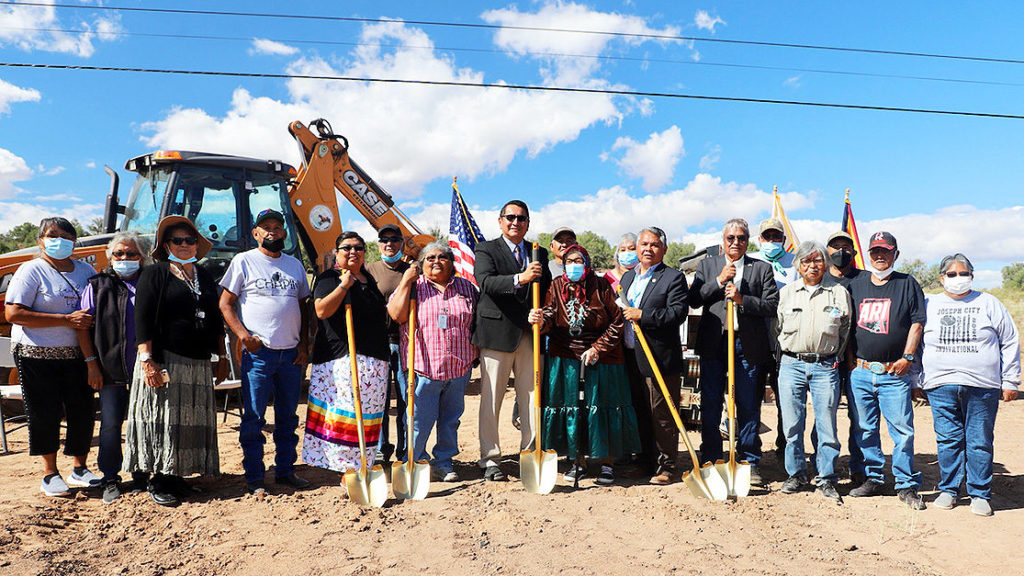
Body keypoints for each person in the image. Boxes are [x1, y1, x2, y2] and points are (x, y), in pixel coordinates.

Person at [126, 216, 226, 507]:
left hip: (196, 360)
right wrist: (147, 359)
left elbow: (215, 318)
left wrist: (219, 356)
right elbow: (142, 318)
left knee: (186, 420)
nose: (184, 245)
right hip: (164, 358)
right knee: (163, 419)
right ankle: (158, 479)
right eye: (177, 241)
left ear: (197, 244)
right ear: (166, 245)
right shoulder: (155, 274)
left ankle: (177, 475)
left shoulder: (204, 276)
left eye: (189, 240)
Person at [529, 244, 640, 485]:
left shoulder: (600, 286)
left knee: (600, 407)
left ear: (587, 263)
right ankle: (576, 461)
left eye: (578, 261)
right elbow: (550, 313)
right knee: (572, 409)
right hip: (565, 356)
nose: (574, 265)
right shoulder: (556, 285)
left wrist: (598, 349)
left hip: (602, 357)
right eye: (569, 261)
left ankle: (606, 463)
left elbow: (617, 322)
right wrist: (540, 319)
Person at [5, 217, 100, 497]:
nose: (60, 241)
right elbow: (14, 313)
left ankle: (80, 468)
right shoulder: (31, 270)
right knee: (44, 412)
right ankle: (50, 474)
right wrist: (65, 318)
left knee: (82, 411)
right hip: (37, 355)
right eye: (52, 235)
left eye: (66, 236)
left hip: (78, 355)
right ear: (40, 240)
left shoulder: (86, 270)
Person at [920, 253, 1020, 516]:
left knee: (979, 440)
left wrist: (1010, 380)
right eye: (951, 274)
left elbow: (1009, 340)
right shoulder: (929, 303)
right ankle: (949, 489)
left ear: (972, 276)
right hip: (940, 385)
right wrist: (916, 379)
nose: (957, 279)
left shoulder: (988, 302)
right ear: (941, 278)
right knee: (948, 439)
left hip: (982, 385)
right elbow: (917, 341)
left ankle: (979, 493)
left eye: (963, 273)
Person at [220, 209, 311, 494]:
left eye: (277, 227)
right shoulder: (244, 261)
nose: (272, 231)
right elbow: (225, 303)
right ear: (256, 233)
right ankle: (255, 478)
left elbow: (304, 307)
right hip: (259, 355)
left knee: (288, 417)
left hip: (291, 355)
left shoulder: (294, 265)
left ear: (284, 232)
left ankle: (285, 471)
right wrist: (243, 335)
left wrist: (304, 344)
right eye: (266, 227)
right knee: (254, 417)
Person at [690, 218, 778, 486]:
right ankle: (712, 457)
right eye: (731, 238)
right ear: (723, 240)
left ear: (747, 241)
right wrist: (718, 281)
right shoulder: (708, 265)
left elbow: (772, 305)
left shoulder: (761, 269)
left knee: (749, 404)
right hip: (715, 344)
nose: (736, 243)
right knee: (711, 403)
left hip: (747, 345)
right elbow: (694, 299)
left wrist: (742, 300)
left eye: (741, 238)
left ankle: (749, 460)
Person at [472, 200, 551, 481]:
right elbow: (486, 282)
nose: (515, 222)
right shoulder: (485, 249)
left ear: (528, 222)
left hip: (530, 335)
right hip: (496, 335)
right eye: (510, 217)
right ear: (500, 220)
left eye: (521, 218)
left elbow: (547, 290)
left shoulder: (537, 251)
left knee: (532, 398)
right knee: (491, 399)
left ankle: (529, 454)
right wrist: (521, 277)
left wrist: (544, 313)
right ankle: (490, 459)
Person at [845, 231, 925, 509]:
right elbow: (847, 325)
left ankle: (906, 484)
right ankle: (874, 478)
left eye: (886, 251)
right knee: (865, 429)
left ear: (896, 254)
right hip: (862, 371)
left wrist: (907, 357)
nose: (880, 256)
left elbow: (917, 323)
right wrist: (852, 360)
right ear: (868, 254)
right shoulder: (856, 284)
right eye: (875, 251)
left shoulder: (907, 284)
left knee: (902, 431)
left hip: (895, 372)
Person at [387, 241, 478, 482]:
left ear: (451, 262)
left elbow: (477, 322)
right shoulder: (414, 286)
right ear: (422, 263)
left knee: (450, 420)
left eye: (442, 257)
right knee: (418, 420)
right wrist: (406, 280)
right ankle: (414, 462)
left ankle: (443, 462)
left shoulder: (466, 288)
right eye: (430, 258)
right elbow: (396, 315)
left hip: (458, 367)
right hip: (423, 367)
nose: (436, 261)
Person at [303, 232, 390, 475]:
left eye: (358, 247)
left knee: (368, 416)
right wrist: (344, 285)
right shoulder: (330, 277)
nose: (353, 251)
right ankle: (346, 470)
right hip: (343, 358)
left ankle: (364, 464)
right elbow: (321, 311)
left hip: (374, 362)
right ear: (337, 252)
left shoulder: (369, 280)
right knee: (346, 416)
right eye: (346, 247)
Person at [77, 231, 151, 504]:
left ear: (142, 257)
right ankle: (110, 477)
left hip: (146, 370)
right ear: (110, 256)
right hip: (109, 370)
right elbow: (83, 329)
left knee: (144, 423)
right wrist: (91, 365)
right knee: (110, 425)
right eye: (119, 254)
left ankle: (142, 474)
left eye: (131, 254)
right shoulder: (98, 285)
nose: (125, 258)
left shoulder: (152, 283)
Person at [774, 241, 851, 502]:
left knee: (827, 425)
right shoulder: (787, 293)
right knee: (792, 424)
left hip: (825, 365)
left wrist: (831, 357)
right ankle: (796, 474)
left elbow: (845, 330)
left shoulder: (838, 293)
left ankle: (826, 478)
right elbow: (780, 327)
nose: (812, 266)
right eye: (806, 261)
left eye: (817, 260)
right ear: (798, 265)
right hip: (791, 364)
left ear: (826, 264)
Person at [619, 227, 689, 485]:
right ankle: (644, 460)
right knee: (638, 411)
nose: (648, 249)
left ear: (664, 250)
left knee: (661, 414)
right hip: (629, 355)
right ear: (637, 247)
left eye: (655, 245)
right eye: (644, 244)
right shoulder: (627, 279)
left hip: (659, 358)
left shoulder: (673, 278)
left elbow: (677, 313)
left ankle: (667, 465)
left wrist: (643, 316)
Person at [749, 218, 796, 465]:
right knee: (751, 401)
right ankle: (752, 453)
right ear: (760, 240)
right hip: (756, 342)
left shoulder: (795, 263)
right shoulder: (751, 262)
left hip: (785, 345)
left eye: (777, 237)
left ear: (784, 240)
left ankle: (785, 449)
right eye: (767, 237)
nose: (772, 241)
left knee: (786, 403)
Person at [365, 223, 411, 465]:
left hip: (404, 342)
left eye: (394, 239)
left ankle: (404, 450)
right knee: (380, 400)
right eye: (385, 240)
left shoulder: (412, 271)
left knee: (405, 399)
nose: (389, 244)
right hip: (378, 344)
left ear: (402, 244)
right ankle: (383, 448)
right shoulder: (369, 270)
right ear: (378, 244)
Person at [824, 230, 865, 483]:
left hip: (858, 358)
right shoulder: (821, 280)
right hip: (827, 358)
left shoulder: (864, 280)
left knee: (859, 415)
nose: (841, 252)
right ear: (827, 252)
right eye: (835, 247)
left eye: (846, 247)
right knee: (825, 413)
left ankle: (858, 466)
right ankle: (823, 464)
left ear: (854, 252)